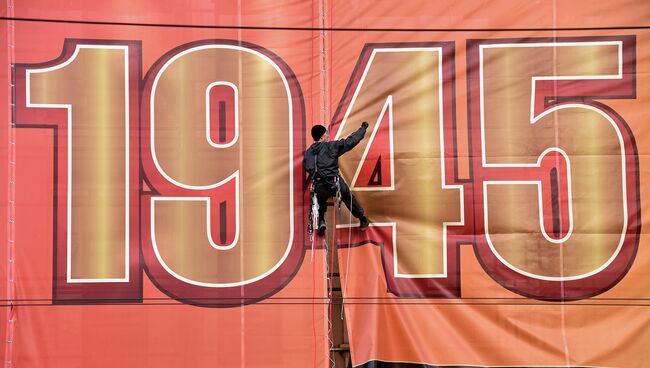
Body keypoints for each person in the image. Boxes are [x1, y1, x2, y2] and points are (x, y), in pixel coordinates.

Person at [304, 122, 370, 236]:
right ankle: (362, 218)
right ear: (322, 136)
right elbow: (351, 141)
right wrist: (363, 128)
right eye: (326, 134)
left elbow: (307, 167)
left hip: (319, 186)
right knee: (347, 196)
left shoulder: (308, 153)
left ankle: (321, 221)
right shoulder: (331, 146)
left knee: (321, 200)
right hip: (334, 184)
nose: (328, 136)